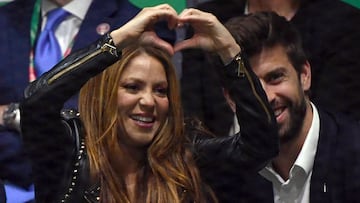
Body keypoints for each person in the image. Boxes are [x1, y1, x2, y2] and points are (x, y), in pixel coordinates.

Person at [19, 4, 278, 203]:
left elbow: (261, 145)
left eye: (161, 90)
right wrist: (117, 40)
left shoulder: (184, 152)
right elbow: (35, 103)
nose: (148, 101)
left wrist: (229, 50)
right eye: (133, 87)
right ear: (106, 94)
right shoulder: (68, 146)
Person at [0, 0, 175, 199]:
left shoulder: (137, 23)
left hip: (101, 184)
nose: (148, 100)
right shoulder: (4, 20)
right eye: (133, 87)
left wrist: (11, 115)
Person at [221, 11, 360, 202]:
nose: (266, 98)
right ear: (231, 100)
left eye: (275, 77)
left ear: (304, 75)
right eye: (249, 86)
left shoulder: (354, 156)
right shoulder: (227, 178)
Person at [180, 0, 360, 136]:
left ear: (305, 73)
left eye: (274, 77)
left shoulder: (342, 24)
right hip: (221, 175)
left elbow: (336, 129)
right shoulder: (207, 22)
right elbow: (192, 126)